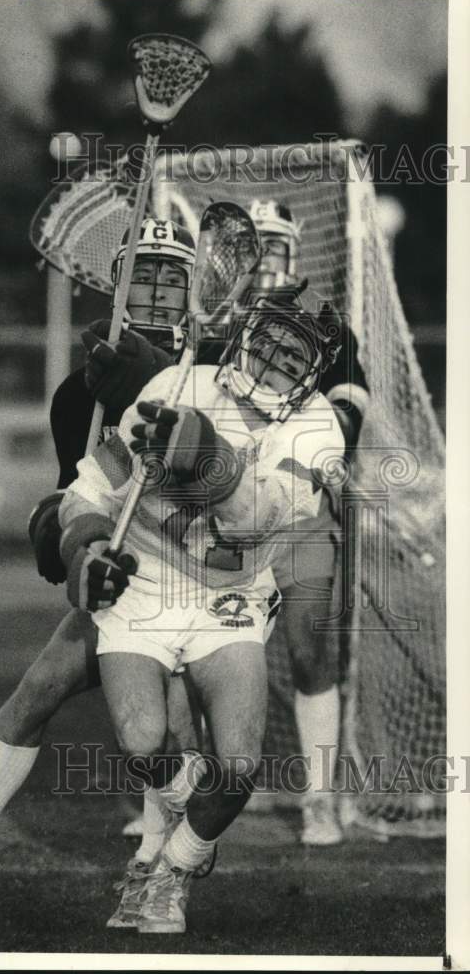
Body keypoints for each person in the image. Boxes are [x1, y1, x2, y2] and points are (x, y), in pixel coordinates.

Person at [0, 219, 211, 912]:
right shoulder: (77, 394)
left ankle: (160, 858)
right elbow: (79, 494)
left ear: (194, 291)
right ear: (113, 285)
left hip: (210, 578)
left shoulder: (216, 377)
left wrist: (145, 386)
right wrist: (62, 533)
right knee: (39, 689)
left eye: (170, 276)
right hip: (131, 574)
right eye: (139, 273)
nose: (152, 289)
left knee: (171, 719)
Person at [57, 290, 345, 933]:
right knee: (143, 743)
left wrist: (208, 455)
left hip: (230, 597)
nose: (273, 357)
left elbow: (256, 520)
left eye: (293, 352)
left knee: (238, 766)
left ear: (313, 369)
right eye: (268, 339)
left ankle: (172, 872)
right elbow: (90, 488)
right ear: (246, 334)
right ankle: (184, 822)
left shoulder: (317, 427)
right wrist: (85, 551)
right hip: (145, 582)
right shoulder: (178, 380)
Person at [247, 199, 369, 845]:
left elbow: (349, 413)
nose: (265, 261)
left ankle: (319, 798)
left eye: (275, 247)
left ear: (293, 253)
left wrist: (310, 441)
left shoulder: (326, 328)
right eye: (254, 247)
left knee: (305, 645)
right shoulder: (213, 324)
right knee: (196, 650)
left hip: (298, 514)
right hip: (220, 522)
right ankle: (174, 798)